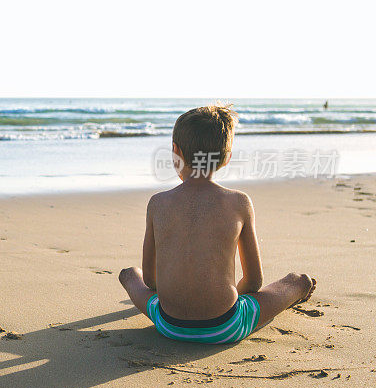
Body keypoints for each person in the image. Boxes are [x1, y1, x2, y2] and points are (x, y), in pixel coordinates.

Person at [119, 104, 315, 343]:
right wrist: (225, 296)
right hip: (226, 326)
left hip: (168, 324)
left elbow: (150, 282)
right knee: (296, 281)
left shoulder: (157, 203)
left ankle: (133, 280)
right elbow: (254, 282)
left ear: (175, 151)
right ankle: (301, 286)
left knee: (130, 275)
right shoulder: (239, 202)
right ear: (226, 158)